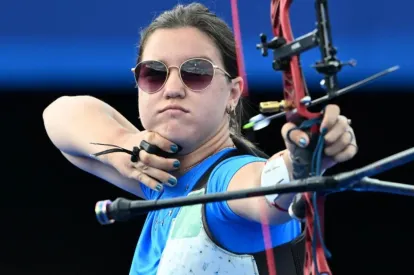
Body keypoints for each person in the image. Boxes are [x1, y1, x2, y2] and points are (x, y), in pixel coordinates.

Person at [42, 3, 358, 274]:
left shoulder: (227, 179)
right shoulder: (161, 184)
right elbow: (59, 115)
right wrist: (125, 150)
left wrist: (303, 159)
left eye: (196, 72)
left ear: (232, 94)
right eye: (154, 73)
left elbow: (264, 192)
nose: (173, 88)